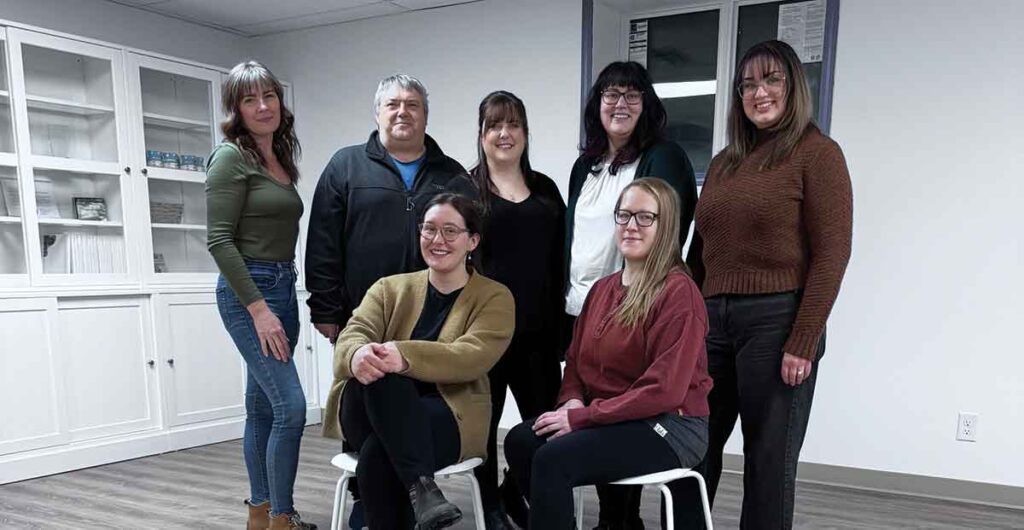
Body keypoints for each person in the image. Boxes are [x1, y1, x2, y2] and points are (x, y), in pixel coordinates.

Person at [683, 40, 853, 529]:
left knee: (767, 459)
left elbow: (832, 253)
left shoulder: (817, 154)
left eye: (771, 79)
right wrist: (685, 326)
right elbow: (699, 255)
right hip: (713, 322)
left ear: (793, 85)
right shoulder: (724, 163)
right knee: (695, 445)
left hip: (778, 322)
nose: (759, 92)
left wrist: (803, 340)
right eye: (748, 85)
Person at [305, 74, 475, 528]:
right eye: (393, 104)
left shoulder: (452, 173)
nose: (403, 112)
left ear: (425, 114)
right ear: (377, 112)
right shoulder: (345, 167)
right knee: (368, 395)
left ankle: (389, 501)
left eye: (413, 104)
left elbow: (470, 244)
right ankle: (375, 497)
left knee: (407, 406)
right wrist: (325, 308)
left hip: (433, 320)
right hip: (363, 315)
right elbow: (322, 240)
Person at [504, 177, 712, 530]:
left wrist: (583, 417)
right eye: (624, 215)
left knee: (553, 459)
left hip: (671, 426)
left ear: (666, 227)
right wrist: (570, 401)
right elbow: (576, 363)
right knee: (523, 441)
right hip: (617, 416)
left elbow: (665, 390)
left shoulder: (678, 293)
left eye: (645, 217)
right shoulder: (602, 289)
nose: (631, 226)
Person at [322, 194, 514, 529]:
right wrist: (357, 355)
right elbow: (351, 336)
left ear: (472, 240)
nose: (438, 240)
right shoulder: (389, 288)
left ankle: (417, 488)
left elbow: (471, 356)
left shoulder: (494, 296)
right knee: (385, 381)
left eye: (450, 231)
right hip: (366, 408)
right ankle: (423, 488)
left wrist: (402, 356)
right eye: (429, 229)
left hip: (448, 412)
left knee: (378, 454)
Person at [563, 60, 698, 529]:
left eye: (631, 95)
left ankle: (625, 519)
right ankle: (614, 520)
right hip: (586, 302)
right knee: (596, 392)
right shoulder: (587, 165)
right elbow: (574, 236)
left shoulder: (664, 157)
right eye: (610, 95)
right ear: (597, 105)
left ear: (647, 105)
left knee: (626, 404)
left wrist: (634, 291)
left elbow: (663, 234)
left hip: (636, 303)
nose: (620, 104)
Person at [206, 61, 316, 530]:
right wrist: (258, 310)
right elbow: (218, 240)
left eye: (268, 95)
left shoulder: (277, 157)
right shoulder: (230, 157)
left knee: (262, 406)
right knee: (291, 407)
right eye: (250, 99)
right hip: (250, 292)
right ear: (236, 108)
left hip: (282, 286)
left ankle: (260, 513)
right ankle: (282, 517)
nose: (263, 106)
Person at [466, 91, 565, 529]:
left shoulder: (545, 188)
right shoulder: (467, 191)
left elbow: (563, 258)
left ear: (525, 133)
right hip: (485, 335)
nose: (504, 134)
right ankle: (489, 507)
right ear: (482, 134)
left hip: (541, 334)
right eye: (494, 125)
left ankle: (513, 491)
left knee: (545, 430)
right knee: (482, 431)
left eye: (513, 125)